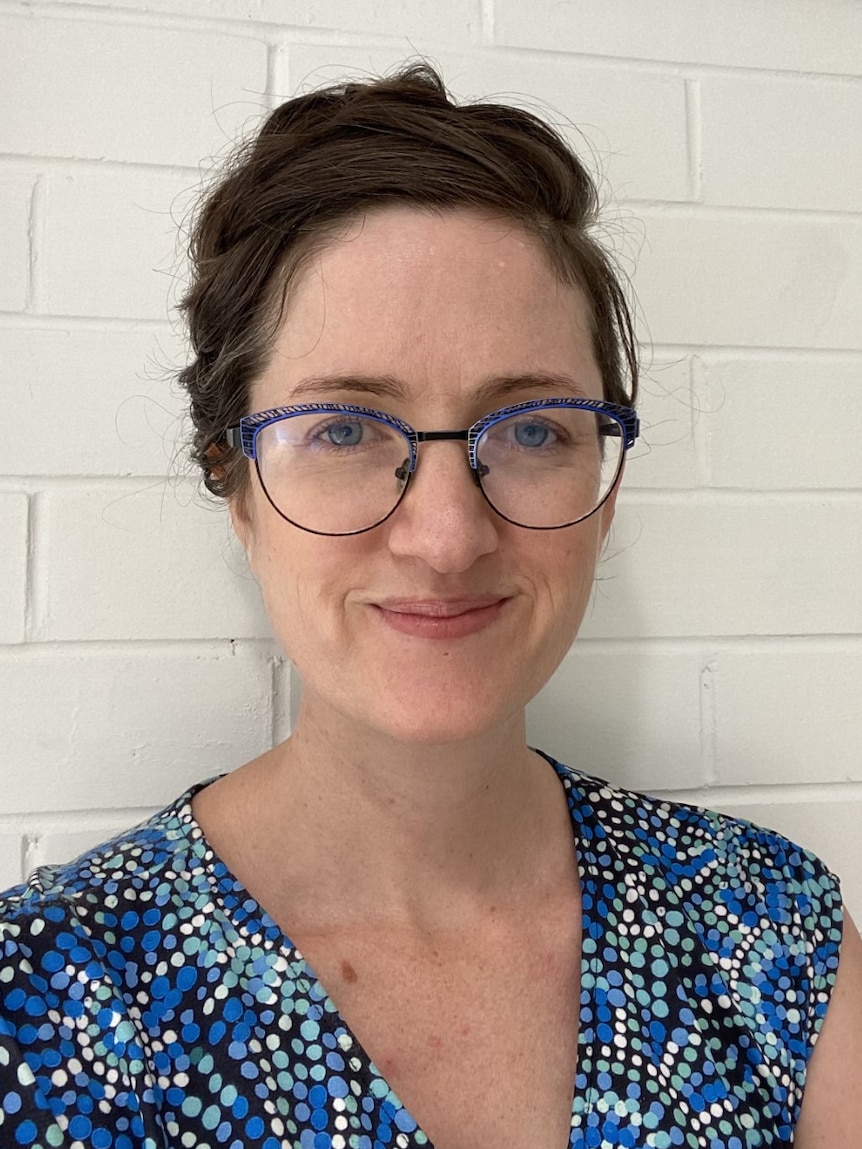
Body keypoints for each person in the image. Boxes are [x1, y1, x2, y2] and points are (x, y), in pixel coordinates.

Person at [0, 64, 859, 1149]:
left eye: (535, 426)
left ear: (604, 486)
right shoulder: (40, 1001)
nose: (447, 537)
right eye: (346, 429)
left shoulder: (771, 933)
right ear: (235, 486)